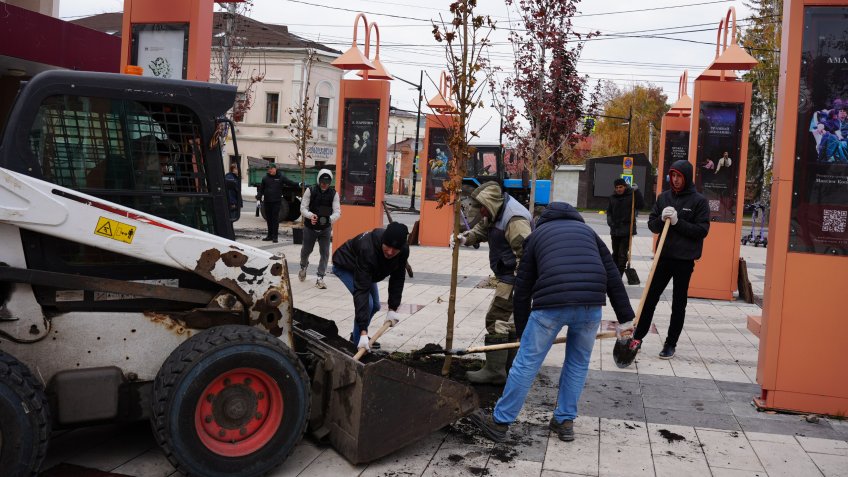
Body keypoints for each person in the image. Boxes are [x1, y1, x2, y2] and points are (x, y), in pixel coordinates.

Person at [468, 202, 635, 443]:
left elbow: (523, 287)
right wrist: (626, 319)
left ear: (543, 219)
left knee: (526, 363)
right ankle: (565, 421)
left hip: (551, 306)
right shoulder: (589, 233)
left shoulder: (537, 236)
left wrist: (522, 331)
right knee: (577, 364)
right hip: (590, 307)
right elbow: (612, 277)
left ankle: (500, 422)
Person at [451, 181, 532, 384]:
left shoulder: (514, 219)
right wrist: (464, 238)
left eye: (482, 207)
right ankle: (509, 369)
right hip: (509, 275)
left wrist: (519, 286)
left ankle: (495, 372)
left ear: (491, 203)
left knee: (496, 319)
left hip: (515, 278)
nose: (481, 212)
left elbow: (527, 254)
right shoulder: (495, 211)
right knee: (509, 323)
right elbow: (481, 229)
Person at [630, 159, 710, 360]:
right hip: (663, 257)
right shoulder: (663, 198)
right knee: (650, 298)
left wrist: (677, 222)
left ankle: (670, 343)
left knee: (678, 303)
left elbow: (702, 231)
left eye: (679, 176)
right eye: (673, 175)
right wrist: (660, 219)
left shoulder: (699, 201)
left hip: (684, 260)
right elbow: (652, 225)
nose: (675, 180)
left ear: (687, 177)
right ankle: (637, 337)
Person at [332, 222, 409, 351]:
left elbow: (398, 278)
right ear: (382, 241)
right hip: (346, 265)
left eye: (395, 249)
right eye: (387, 247)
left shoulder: (403, 251)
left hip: (369, 271)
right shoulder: (367, 249)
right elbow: (361, 290)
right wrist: (364, 331)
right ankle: (358, 341)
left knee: (376, 306)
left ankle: (356, 335)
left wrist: (392, 308)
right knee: (368, 304)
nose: (390, 252)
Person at [299, 169, 341, 289]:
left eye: (327, 183)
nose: (324, 185)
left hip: (325, 229)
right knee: (306, 251)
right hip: (310, 227)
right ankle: (303, 266)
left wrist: (329, 219)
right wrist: (310, 215)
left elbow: (338, 212)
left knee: (325, 253)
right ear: (318, 180)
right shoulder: (310, 190)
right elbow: (303, 208)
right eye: (322, 182)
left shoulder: (334, 194)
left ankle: (320, 277)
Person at [606, 178, 644, 277]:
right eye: (617, 187)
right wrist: (610, 222)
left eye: (620, 187)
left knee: (622, 254)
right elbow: (609, 212)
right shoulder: (612, 197)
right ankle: (614, 274)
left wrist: (637, 192)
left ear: (625, 186)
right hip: (615, 230)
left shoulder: (631, 195)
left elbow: (640, 205)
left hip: (627, 230)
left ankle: (619, 275)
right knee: (615, 253)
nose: (618, 189)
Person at [256, 163, 299, 243]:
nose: (269, 170)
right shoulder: (265, 178)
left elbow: (289, 182)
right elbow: (261, 190)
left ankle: (275, 237)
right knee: (269, 219)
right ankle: (269, 236)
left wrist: (298, 184)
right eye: (268, 169)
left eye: (271, 169)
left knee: (275, 219)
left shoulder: (281, 177)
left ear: (275, 169)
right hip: (267, 202)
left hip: (276, 202)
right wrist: (258, 199)